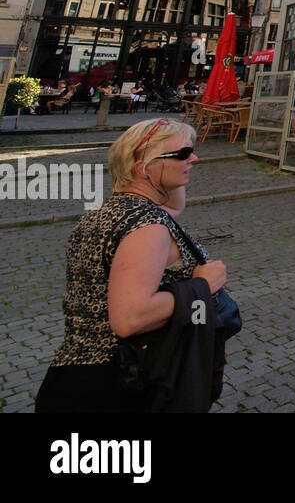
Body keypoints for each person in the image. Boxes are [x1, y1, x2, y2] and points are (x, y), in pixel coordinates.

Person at [36, 118, 228, 412]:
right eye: (182, 154)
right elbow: (130, 318)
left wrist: (166, 167)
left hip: (74, 373)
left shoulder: (112, 211)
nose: (194, 158)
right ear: (143, 168)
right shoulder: (147, 227)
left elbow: (174, 207)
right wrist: (203, 286)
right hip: (116, 384)